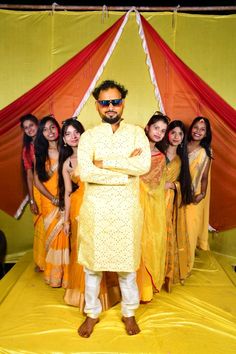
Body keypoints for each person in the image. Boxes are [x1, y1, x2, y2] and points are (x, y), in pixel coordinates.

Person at [76, 80, 151, 337]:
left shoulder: (136, 133)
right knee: (92, 268)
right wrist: (123, 172)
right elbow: (85, 171)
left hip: (126, 211)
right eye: (105, 103)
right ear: (97, 106)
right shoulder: (88, 137)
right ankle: (92, 314)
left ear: (123, 104)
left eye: (115, 102)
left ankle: (129, 313)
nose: (110, 107)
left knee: (127, 266)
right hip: (96, 211)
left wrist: (104, 162)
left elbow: (142, 167)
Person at [58, 118, 120, 311]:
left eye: (76, 132)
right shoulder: (67, 163)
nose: (73, 136)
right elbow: (68, 193)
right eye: (68, 134)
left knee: (100, 246)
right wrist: (66, 219)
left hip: (98, 204)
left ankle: (105, 294)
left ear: (82, 134)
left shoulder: (94, 155)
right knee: (81, 249)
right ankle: (85, 297)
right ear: (64, 140)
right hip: (78, 208)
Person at [136, 111, 169, 302]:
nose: (158, 132)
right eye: (156, 127)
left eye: (163, 131)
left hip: (150, 209)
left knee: (146, 244)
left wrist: (144, 187)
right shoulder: (134, 150)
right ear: (148, 127)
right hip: (130, 204)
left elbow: (156, 187)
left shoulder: (160, 157)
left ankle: (144, 291)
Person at [34, 115, 69, 287]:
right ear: (42, 134)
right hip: (51, 203)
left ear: (58, 128)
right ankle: (54, 276)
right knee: (55, 238)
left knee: (66, 237)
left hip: (67, 200)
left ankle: (66, 277)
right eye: (45, 129)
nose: (50, 132)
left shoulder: (66, 150)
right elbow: (37, 182)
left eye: (52, 127)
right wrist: (53, 198)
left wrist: (65, 198)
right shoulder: (41, 154)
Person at [164, 120, 193, 292]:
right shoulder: (157, 153)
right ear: (167, 134)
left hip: (169, 201)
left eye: (180, 134)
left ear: (183, 139)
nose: (176, 136)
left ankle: (167, 273)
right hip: (152, 199)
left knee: (167, 232)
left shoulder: (181, 160)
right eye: (173, 132)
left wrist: (173, 185)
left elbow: (184, 183)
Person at [186, 117, 213, 271]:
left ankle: (187, 267)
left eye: (202, 129)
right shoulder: (182, 145)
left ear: (206, 133)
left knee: (190, 231)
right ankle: (174, 266)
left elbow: (203, 177)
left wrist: (202, 194)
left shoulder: (205, 152)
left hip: (194, 197)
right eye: (195, 127)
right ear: (191, 129)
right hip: (177, 193)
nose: (198, 131)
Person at [20, 114, 45, 272]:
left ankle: (58, 262)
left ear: (37, 124)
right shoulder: (27, 149)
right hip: (37, 189)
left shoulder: (49, 140)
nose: (29, 129)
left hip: (54, 186)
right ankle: (42, 261)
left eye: (31, 125)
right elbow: (29, 175)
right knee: (41, 225)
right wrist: (31, 200)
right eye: (26, 127)